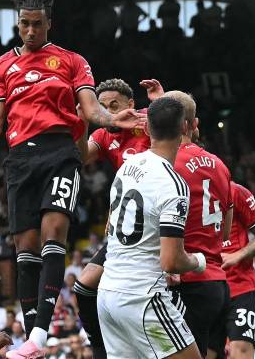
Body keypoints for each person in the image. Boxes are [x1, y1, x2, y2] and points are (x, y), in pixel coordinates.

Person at [0, 0, 143, 359]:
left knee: (53, 235)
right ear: (18, 23)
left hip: (60, 154)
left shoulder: (71, 61)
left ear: (49, 24)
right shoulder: (0, 67)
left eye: (37, 24)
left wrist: (111, 119)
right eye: (24, 24)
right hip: (20, 159)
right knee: (24, 250)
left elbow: (90, 109)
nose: (30, 31)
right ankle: (31, 339)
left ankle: (40, 334)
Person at [97, 96, 204, 359]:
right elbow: (171, 261)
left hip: (108, 295)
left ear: (146, 129)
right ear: (185, 129)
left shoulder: (126, 166)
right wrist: (197, 261)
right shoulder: (173, 184)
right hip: (142, 298)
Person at [73, 77, 159, 358]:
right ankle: (99, 349)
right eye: (103, 107)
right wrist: (83, 121)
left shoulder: (148, 120)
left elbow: (184, 129)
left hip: (162, 220)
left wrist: (160, 100)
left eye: (115, 105)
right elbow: (80, 156)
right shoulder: (105, 134)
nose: (109, 111)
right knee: (85, 285)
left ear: (131, 105)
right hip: (126, 226)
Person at [164, 90, 234, 359]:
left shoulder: (168, 164)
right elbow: (226, 231)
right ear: (194, 124)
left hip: (186, 283)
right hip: (217, 285)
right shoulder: (220, 165)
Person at [221, 181, 255, 359]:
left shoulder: (235, 191)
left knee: (241, 349)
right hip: (205, 286)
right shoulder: (184, 192)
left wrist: (238, 255)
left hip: (241, 288)